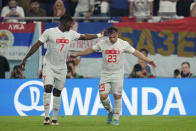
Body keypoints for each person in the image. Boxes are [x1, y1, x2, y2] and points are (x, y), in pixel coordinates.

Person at [20, 15, 104, 126]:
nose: (71, 25)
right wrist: (25, 58)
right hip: (49, 65)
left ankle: (54, 119)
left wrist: (99, 35)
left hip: (62, 67)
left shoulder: (71, 33)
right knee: (48, 88)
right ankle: (46, 117)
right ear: (63, 22)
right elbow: (36, 45)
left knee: (57, 92)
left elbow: (84, 36)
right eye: (70, 23)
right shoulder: (49, 32)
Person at [70, 27, 156, 126]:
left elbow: (136, 52)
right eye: (110, 37)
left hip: (118, 75)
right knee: (103, 97)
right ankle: (110, 111)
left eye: (114, 37)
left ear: (117, 34)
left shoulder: (123, 44)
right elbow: (90, 49)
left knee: (117, 96)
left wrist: (148, 60)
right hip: (105, 75)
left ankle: (116, 118)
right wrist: (77, 54)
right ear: (108, 36)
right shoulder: (103, 43)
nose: (112, 39)